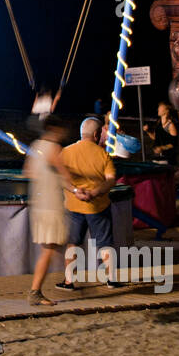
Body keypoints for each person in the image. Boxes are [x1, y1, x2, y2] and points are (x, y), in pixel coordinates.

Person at [56, 117, 120, 290]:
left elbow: (61, 179)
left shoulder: (66, 152)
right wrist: (94, 192)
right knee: (105, 243)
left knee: (73, 244)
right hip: (98, 206)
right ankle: (112, 279)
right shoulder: (103, 154)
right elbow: (111, 179)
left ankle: (69, 281)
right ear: (96, 133)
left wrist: (76, 191)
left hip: (73, 206)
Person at [26, 116, 73, 305]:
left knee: (51, 248)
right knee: (49, 249)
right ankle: (35, 291)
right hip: (51, 205)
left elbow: (28, 172)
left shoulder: (36, 145)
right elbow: (66, 176)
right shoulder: (54, 148)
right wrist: (80, 190)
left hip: (39, 204)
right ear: (55, 129)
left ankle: (64, 280)